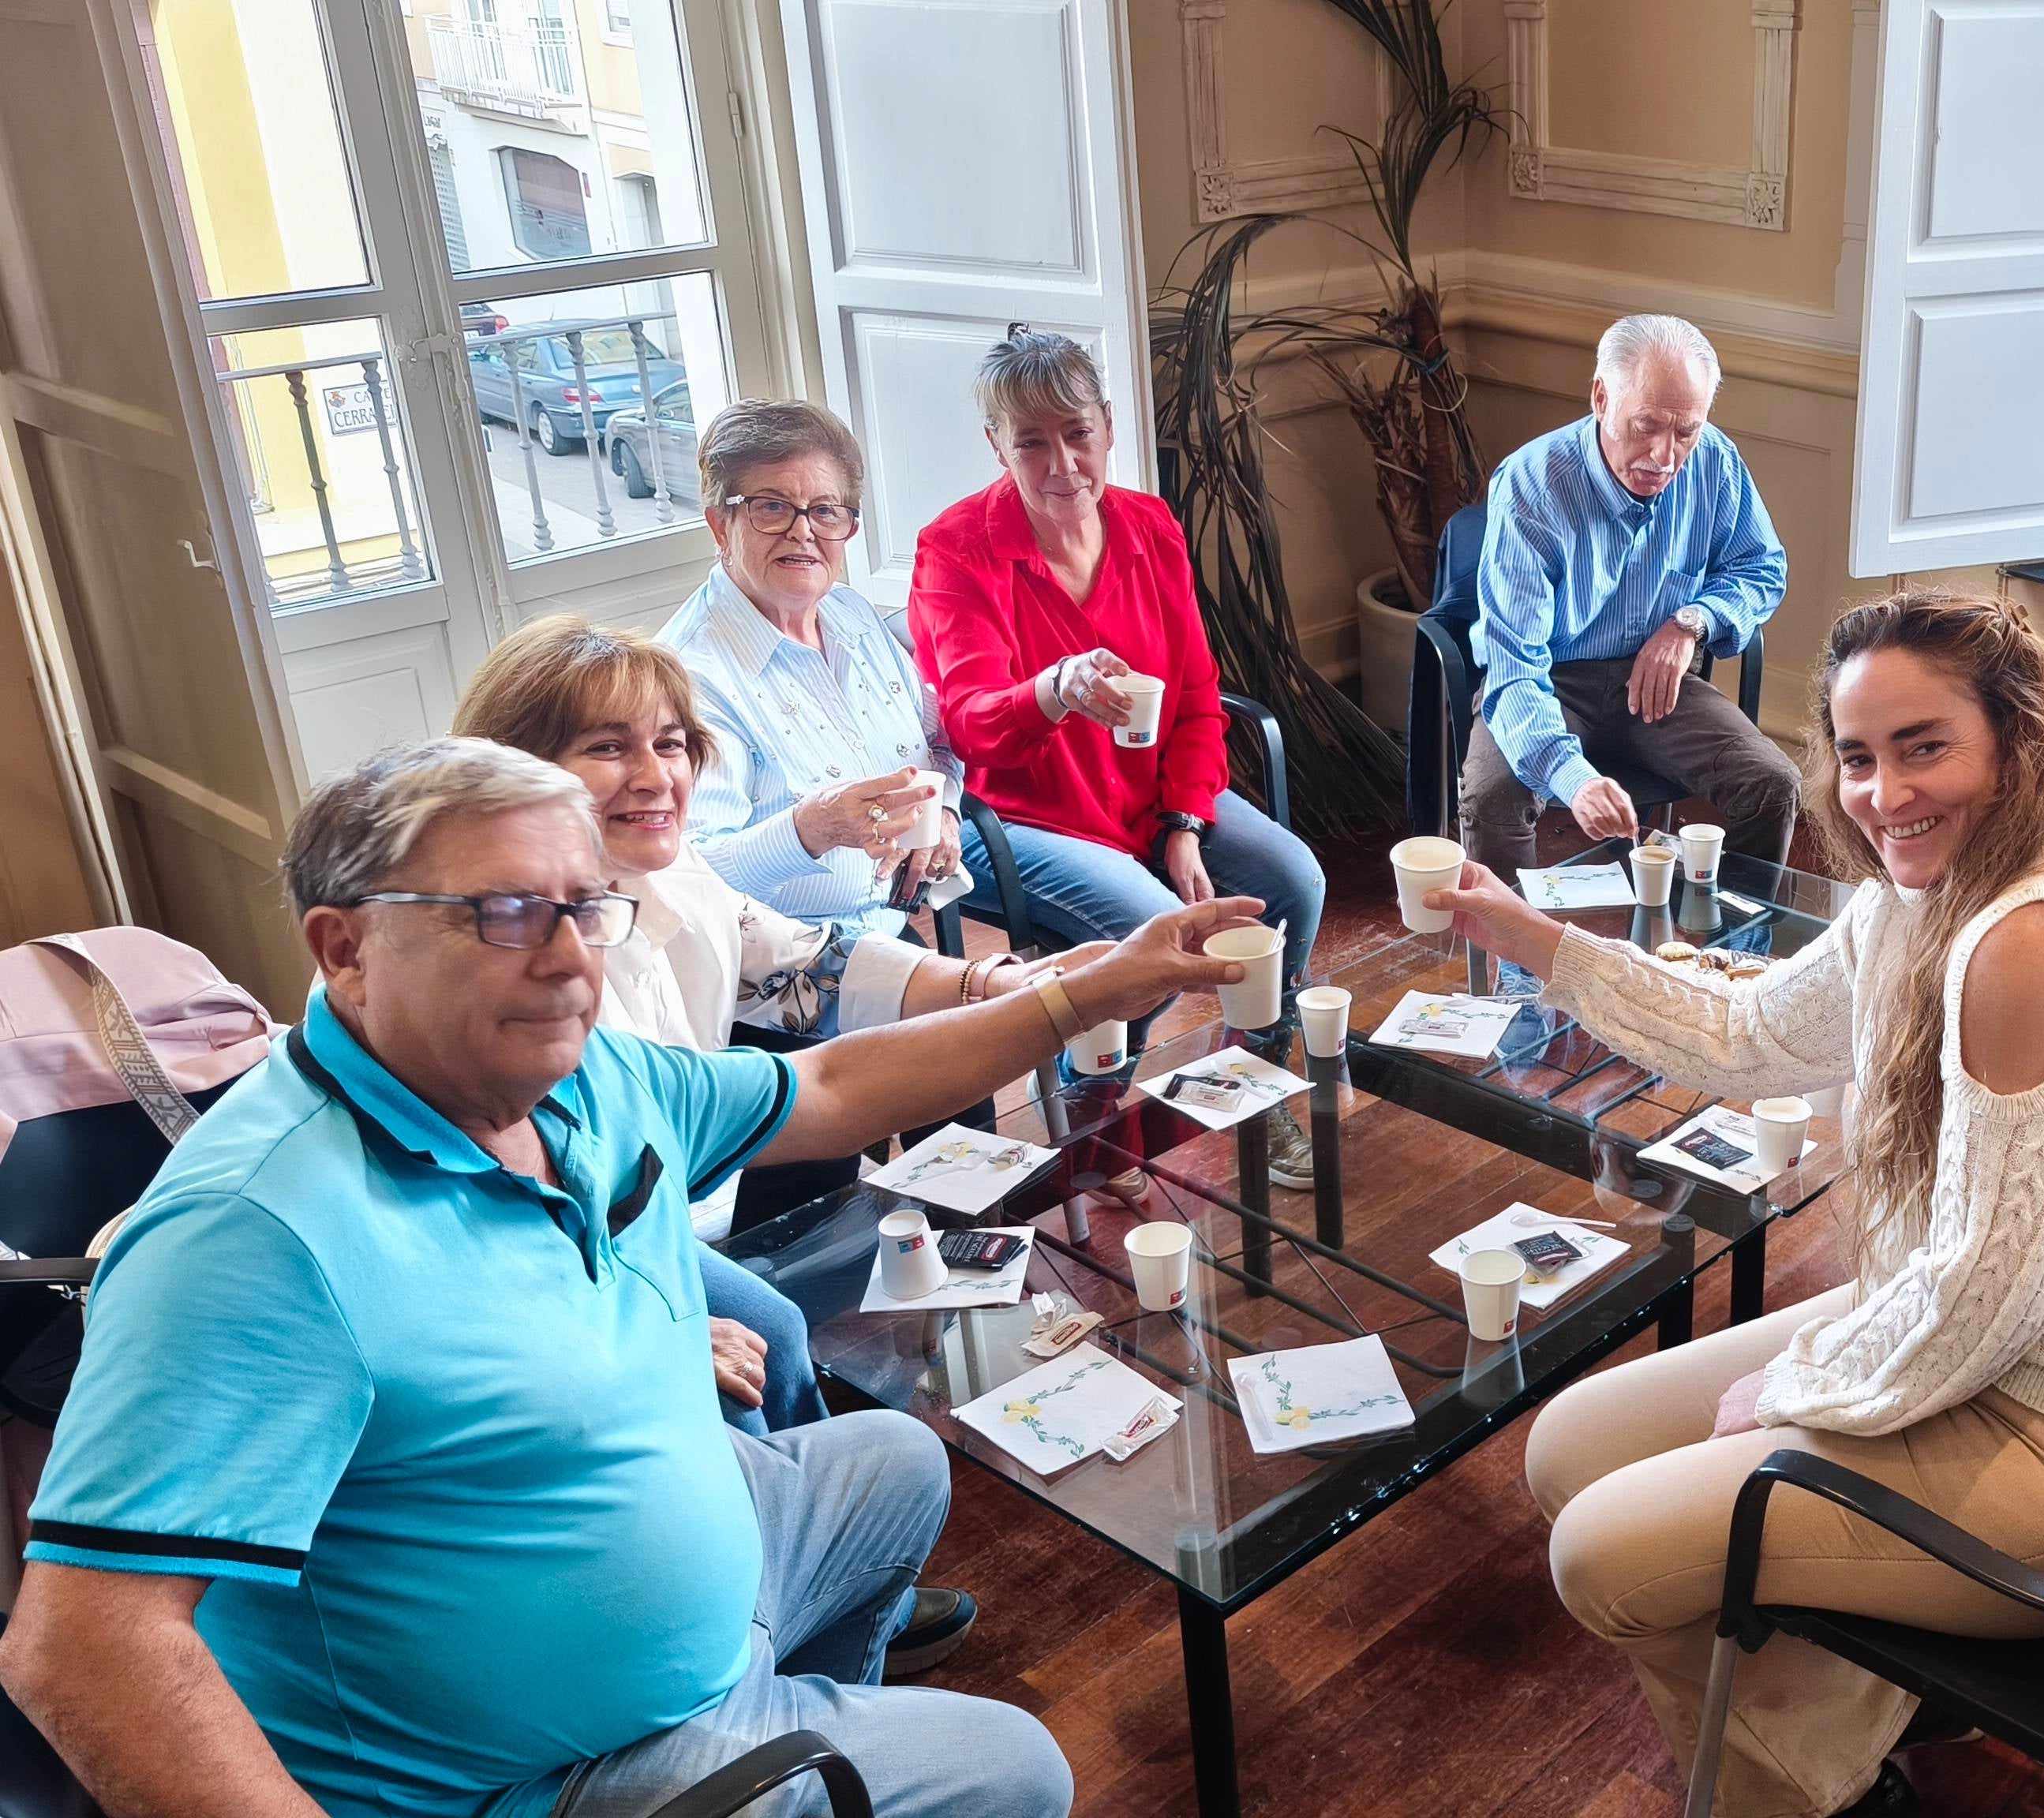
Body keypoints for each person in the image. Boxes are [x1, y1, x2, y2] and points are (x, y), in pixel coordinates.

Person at [0, 737, 1258, 1818]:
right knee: (1016, 1769)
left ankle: (786, 1726)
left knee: (895, 1461)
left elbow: (828, 1084)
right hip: (539, 1773)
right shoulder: (253, 1239)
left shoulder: (582, 1074)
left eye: (587, 906)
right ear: (347, 949)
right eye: (503, 913)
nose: (570, 960)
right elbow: (85, 1652)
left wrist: (1090, 985)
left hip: (674, 1604)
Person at [1428, 592, 2044, 1818]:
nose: (1883, 793)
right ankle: (1841, 1736)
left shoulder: (2030, 938)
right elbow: (1746, 1034)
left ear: (2018, 745)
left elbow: (1976, 1296)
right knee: (1569, 1451)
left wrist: (1799, 1387)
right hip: (1985, 1347)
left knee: (1602, 1558)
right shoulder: (1919, 897)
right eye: (1858, 757)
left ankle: (1811, 1788)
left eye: (1925, 747)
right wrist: (1532, 935)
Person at [451, 615, 1053, 1453]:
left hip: (660, 1205)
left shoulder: (673, 873)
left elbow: (811, 965)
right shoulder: (494, 953)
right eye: (608, 748)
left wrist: (995, 983)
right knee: (768, 1336)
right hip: (570, 1246)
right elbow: (501, 1203)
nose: (655, 776)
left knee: (791, 1303)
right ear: (515, 771)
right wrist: (643, 1321)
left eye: (669, 744)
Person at [908, 327, 1327, 1189]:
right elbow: (972, 729)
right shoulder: (956, 548)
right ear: (996, 446)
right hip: (1018, 817)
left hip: (1147, 797)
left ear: (1108, 425)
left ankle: (1251, 1080)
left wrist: (1185, 821)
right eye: (1031, 442)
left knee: (1294, 880)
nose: (1062, 464)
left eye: (1078, 434)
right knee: (1144, 932)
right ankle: (1093, 1123)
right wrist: (1052, 691)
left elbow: (1198, 694)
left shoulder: (1148, 525)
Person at [1458, 313, 1800, 876]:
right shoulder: (1531, 484)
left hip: (1655, 684)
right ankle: (1514, 936)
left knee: (1772, 784)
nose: (1665, 456)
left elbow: (1760, 567)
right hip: (1548, 679)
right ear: (1601, 398)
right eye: (1647, 426)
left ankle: (1732, 931)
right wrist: (1575, 779)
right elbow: (1514, 662)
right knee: (1493, 799)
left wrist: (1691, 622)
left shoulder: (1714, 461)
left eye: (1685, 432)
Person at [661, 400, 960, 947]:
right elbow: (688, 879)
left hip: (890, 927)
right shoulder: (688, 679)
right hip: (788, 957)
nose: (803, 532)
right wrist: (811, 829)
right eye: (772, 507)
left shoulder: (852, 615)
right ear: (720, 525)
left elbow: (940, 743)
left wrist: (945, 806)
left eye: (825, 511)